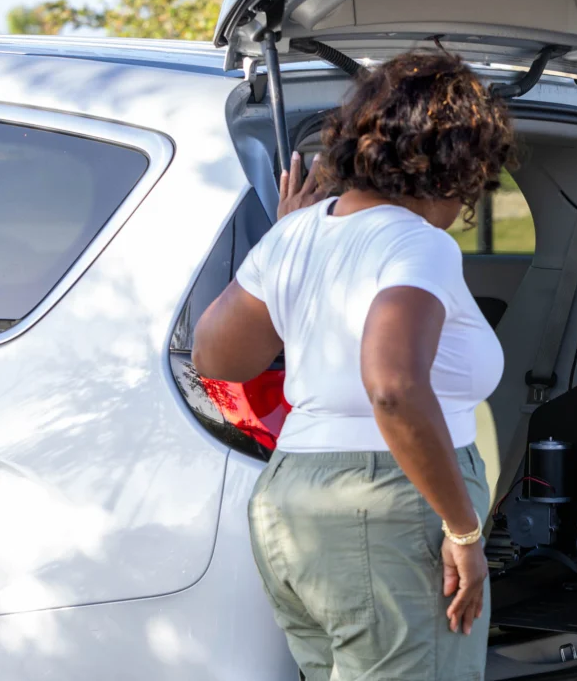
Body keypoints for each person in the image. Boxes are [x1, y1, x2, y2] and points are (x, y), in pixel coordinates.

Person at [192, 51, 515, 681]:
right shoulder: (419, 243)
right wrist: (464, 530)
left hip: (291, 504)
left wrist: (285, 250)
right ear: (456, 160)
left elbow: (217, 355)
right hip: (389, 504)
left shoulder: (297, 233)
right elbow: (392, 388)